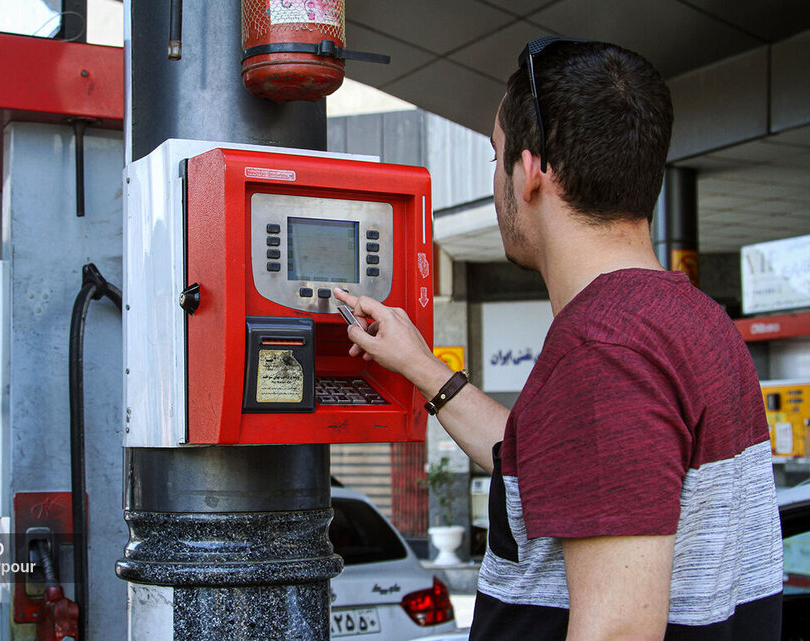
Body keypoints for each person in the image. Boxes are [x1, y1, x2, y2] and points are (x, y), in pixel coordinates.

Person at [334, 37, 782, 641]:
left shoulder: (603, 352)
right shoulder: (692, 319)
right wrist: (420, 365)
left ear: (533, 170)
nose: (496, 179)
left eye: (496, 156)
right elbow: (555, 466)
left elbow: (618, 629)